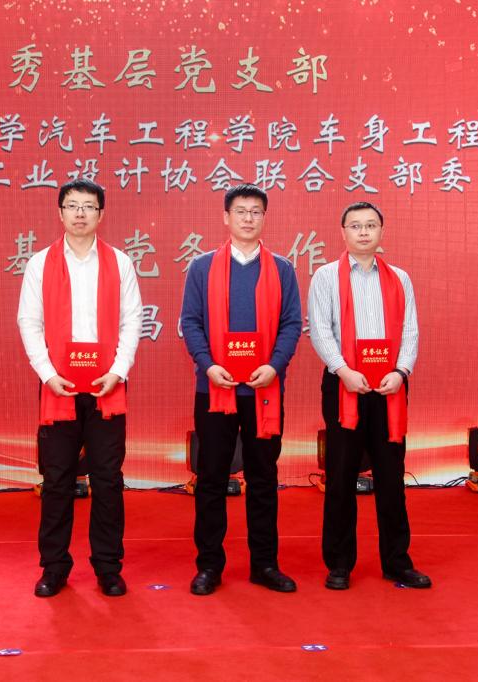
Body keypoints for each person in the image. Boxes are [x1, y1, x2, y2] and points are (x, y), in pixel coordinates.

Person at [17, 179, 142, 598]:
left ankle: (108, 566)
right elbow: (29, 322)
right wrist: (47, 373)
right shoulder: (40, 263)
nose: (80, 213)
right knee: (57, 480)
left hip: (108, 386)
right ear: (60, 213)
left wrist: (118, 371)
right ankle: (54, 566)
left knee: (107, 479)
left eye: (89, 206)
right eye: (72, 206)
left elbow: (132, 321)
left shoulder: (120, 262)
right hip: (59, 386)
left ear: (101, 214)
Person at [180, 184, 302, 596]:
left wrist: (274, 366)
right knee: (211, 478)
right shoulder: (202, 268)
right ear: (226, 217)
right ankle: (208, 566)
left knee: (263, 478)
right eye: (241, 211)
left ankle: (264, 564)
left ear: (264, 218)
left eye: (256, 212)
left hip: (264, 391)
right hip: (214, 388)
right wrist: (209, 365)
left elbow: (291, 323)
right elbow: (190, 322)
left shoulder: (282, 269)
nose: (248, 218)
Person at [307, 201, 431, 590]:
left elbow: (410, 330)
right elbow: (320, 330)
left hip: (389, 388)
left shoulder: (400, 279)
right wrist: (343, 370)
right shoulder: (326, 276)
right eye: (356, 226)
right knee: (341, 476)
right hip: (343, 385)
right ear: (343, 232)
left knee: (391, 477)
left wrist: (401, 371)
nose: (363, 232)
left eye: (371, 225)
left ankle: (397, 561)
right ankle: (339, 564)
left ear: (381, 232)